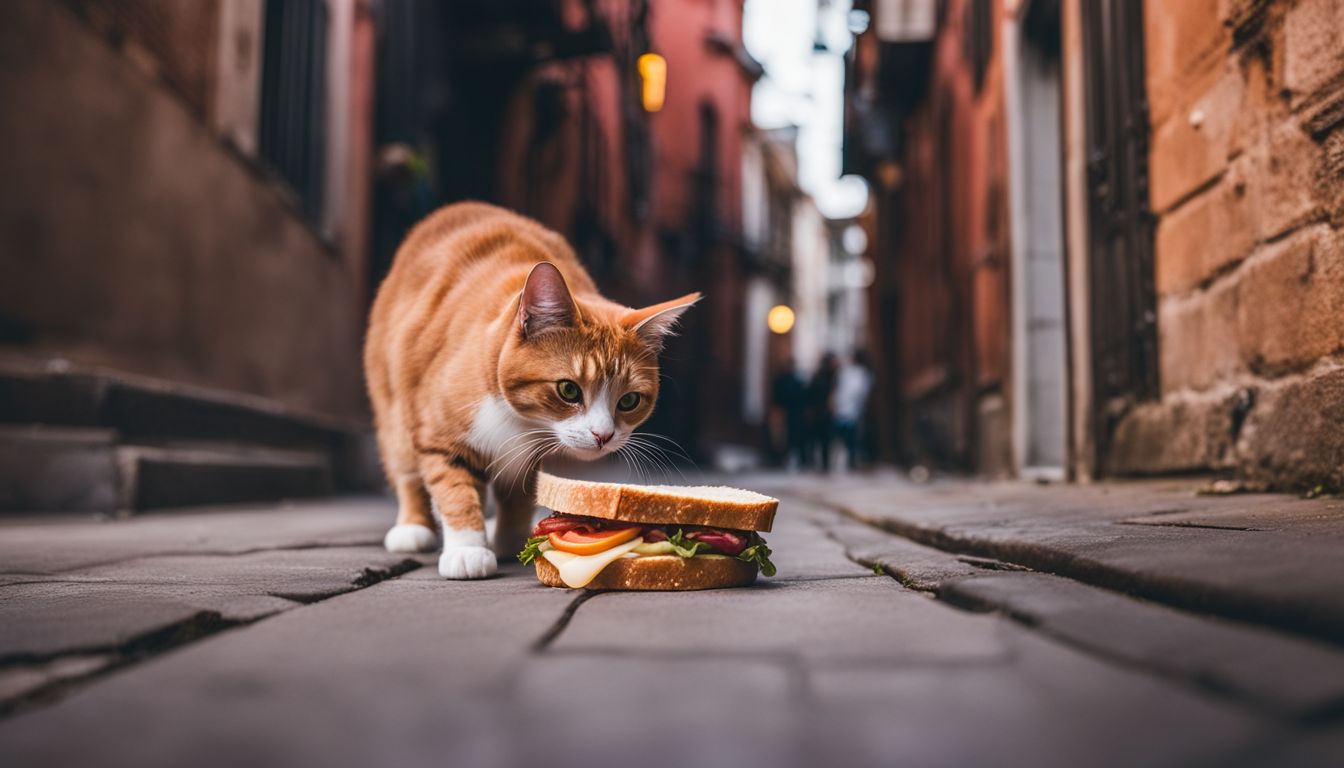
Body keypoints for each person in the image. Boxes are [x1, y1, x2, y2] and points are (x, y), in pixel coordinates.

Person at [833, 350, 873, 469]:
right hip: (849, 410)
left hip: (851, 410)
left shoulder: (857, 374)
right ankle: (851, 459)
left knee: (850, 437)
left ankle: (852, 459)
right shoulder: (851, 373)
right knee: (849, 437)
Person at [770, 356, 808, 469]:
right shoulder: (785, 381)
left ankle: (787, 458)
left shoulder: (795, 381)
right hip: (785, 412)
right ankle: (780, 458)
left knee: (791, 437)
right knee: (782, 437)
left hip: (793, 412)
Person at [807, 352, 840, 471]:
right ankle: (822, 463)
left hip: (822, 412)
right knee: (823, 439)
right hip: (823, 412)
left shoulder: (825, 376)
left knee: (823, 439)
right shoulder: (827, 377)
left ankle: (822, 463)